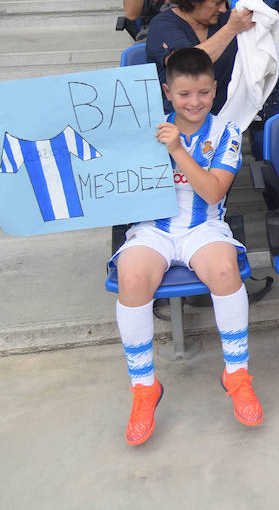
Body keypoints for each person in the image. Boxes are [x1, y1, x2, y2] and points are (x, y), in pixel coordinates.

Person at [103, 46, 261, 444]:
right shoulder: (143, 126)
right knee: (132, 276)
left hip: (202, 226)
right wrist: (9, 160)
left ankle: (237, 373)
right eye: (185, 94)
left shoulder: (226, 132)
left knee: (225, 271)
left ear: (215, 89)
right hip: (151, 228)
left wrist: (177, 150)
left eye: (204, 93)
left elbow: (212, 193)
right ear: (167, 92)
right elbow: (84, 160)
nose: (195, 102)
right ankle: (143, 388)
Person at [144, 0, 254, 114]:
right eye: (217, 3)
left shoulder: (226, 20)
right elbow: (186, 66)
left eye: (225, 2)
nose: (223, 9)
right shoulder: (162, 25)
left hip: (225, 122)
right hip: (175, 123)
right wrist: (230, 29)